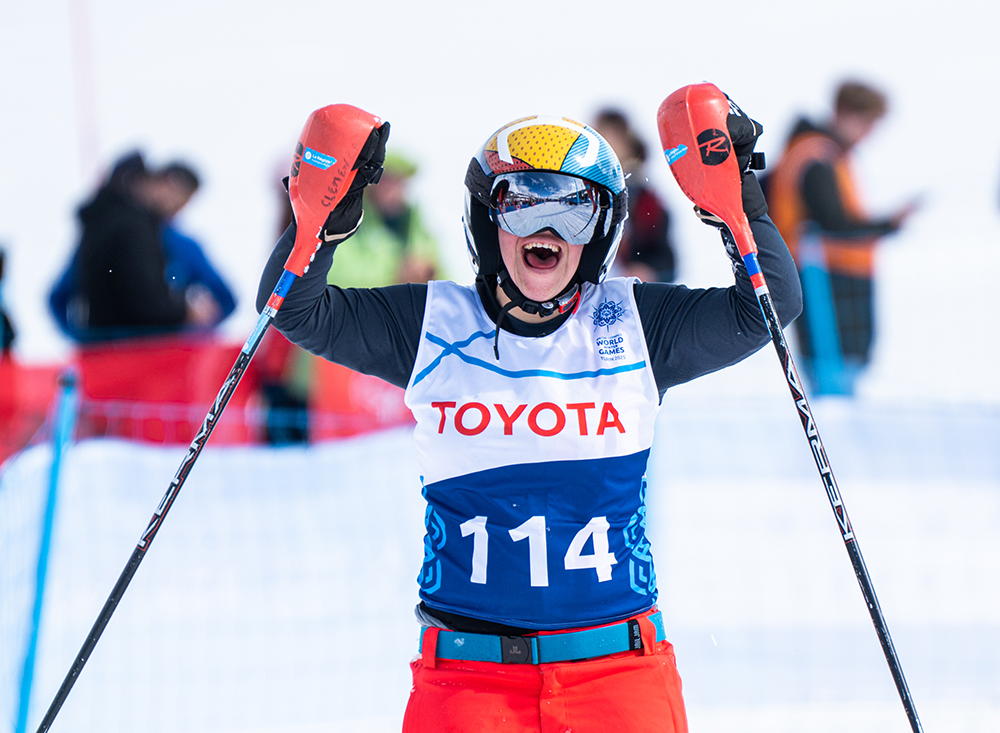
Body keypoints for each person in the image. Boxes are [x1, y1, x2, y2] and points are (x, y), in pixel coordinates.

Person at [257, 104, 800, 731]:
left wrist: (740, 204)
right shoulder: (432, 325)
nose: (549, 229)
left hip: (619, 675)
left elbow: (767, 305)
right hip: (469, 681)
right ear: (490, 223)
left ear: (598, 234)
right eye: (524, 206)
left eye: (573, 211)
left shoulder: (636, 325)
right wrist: (317, 220)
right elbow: (295, 310)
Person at [767, 80, 917, 394]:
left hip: (833, 280)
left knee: (839, 377)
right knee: (834, 379)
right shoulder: (817, 158)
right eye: (866, 123)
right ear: (844, 113)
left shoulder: (823, 154)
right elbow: (832, 222)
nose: (868, 134)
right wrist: (887, 225)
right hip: (828, 284)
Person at [58, 152, 221, 341]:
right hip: (133, 350)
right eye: (179, 200)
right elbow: (146, 302)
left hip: (101, 349)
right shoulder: (134, 227)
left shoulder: (102, 222)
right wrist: (186, 312)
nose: (176, 210)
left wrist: (82, 338)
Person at [326, 150, 445, 288]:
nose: (393, 190)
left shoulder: (420, 231)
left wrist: (432, 275)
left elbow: (449, 280)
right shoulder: (345, 226)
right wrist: (398, 274)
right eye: (386, 182)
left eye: (399, 182)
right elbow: (337, 278)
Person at [593, 108, 677, 282]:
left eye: (613, 136)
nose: (608, 144)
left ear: (626, 142)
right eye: (601, 137)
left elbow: (660, 250)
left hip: (630, 285)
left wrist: (647, 269)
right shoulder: (582, 188)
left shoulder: (642, 194)